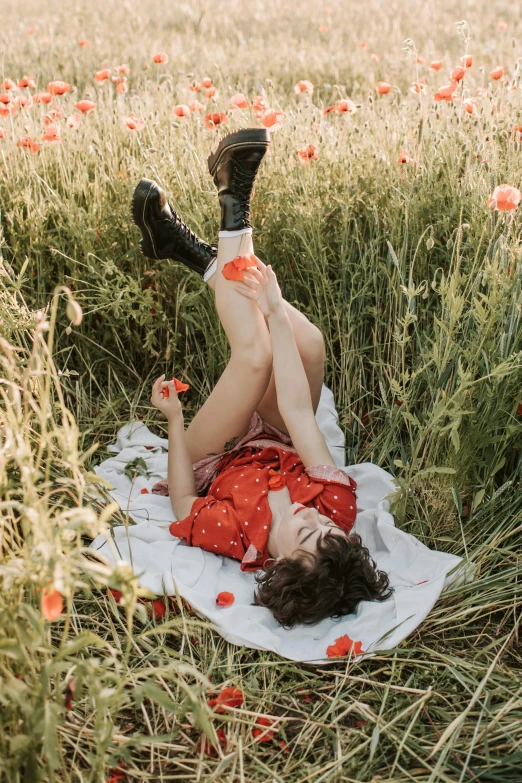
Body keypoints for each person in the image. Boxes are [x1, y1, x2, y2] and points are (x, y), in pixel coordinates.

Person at [132, 128, 392, 628]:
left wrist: (174, 420)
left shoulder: (235, 536)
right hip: (276, 431)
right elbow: (297, 413)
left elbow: (183, 502)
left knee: (254, 357)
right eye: (328, 530)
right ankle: (192, 251)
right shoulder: (336, 509)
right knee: (309, 344)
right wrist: (272, 308)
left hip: (217, 450)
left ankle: (236, 199)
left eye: (307, 536)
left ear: (283, 564)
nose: (317, 521)